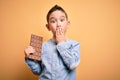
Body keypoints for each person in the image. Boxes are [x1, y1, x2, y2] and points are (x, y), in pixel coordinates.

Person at [24, 5, 80, 80]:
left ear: (67, 24)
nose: (58, 24)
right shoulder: (43, 46)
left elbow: (72, 65)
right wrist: (29, 58)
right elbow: (38, 71)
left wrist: (61, 43)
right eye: (53, 21)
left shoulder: (74, 45)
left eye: (62, 20)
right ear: (48, 27)